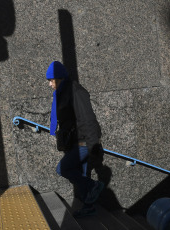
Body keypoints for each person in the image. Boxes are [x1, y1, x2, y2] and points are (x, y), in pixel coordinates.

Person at [47, 61, 104, 217]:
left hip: (85, 141)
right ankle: (89, 208)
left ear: (60, 78)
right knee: (83, 175)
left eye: (52, 81)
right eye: (49, 81)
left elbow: (88, 120)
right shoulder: (61, 93)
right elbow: (62, 117)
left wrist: (93, 146)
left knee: (63, 168)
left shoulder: (76, 92)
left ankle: (94, 185)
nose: (50, 85)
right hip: (75, 141)